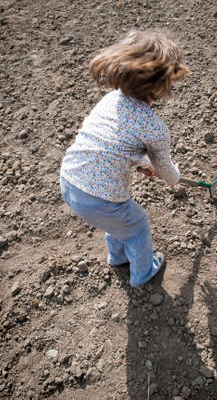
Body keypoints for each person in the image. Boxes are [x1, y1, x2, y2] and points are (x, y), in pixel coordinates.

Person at [60, 29, 189, 287]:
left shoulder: (110, 100)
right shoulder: (155, 127)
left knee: (119, 222)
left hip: (69, 181)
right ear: (161, 87)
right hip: (101, 199)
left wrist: (143, 164)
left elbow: (112, 142)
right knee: (137, 223)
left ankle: (117, 258)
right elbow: (165, 169)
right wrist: (174, 178)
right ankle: (143, 273)